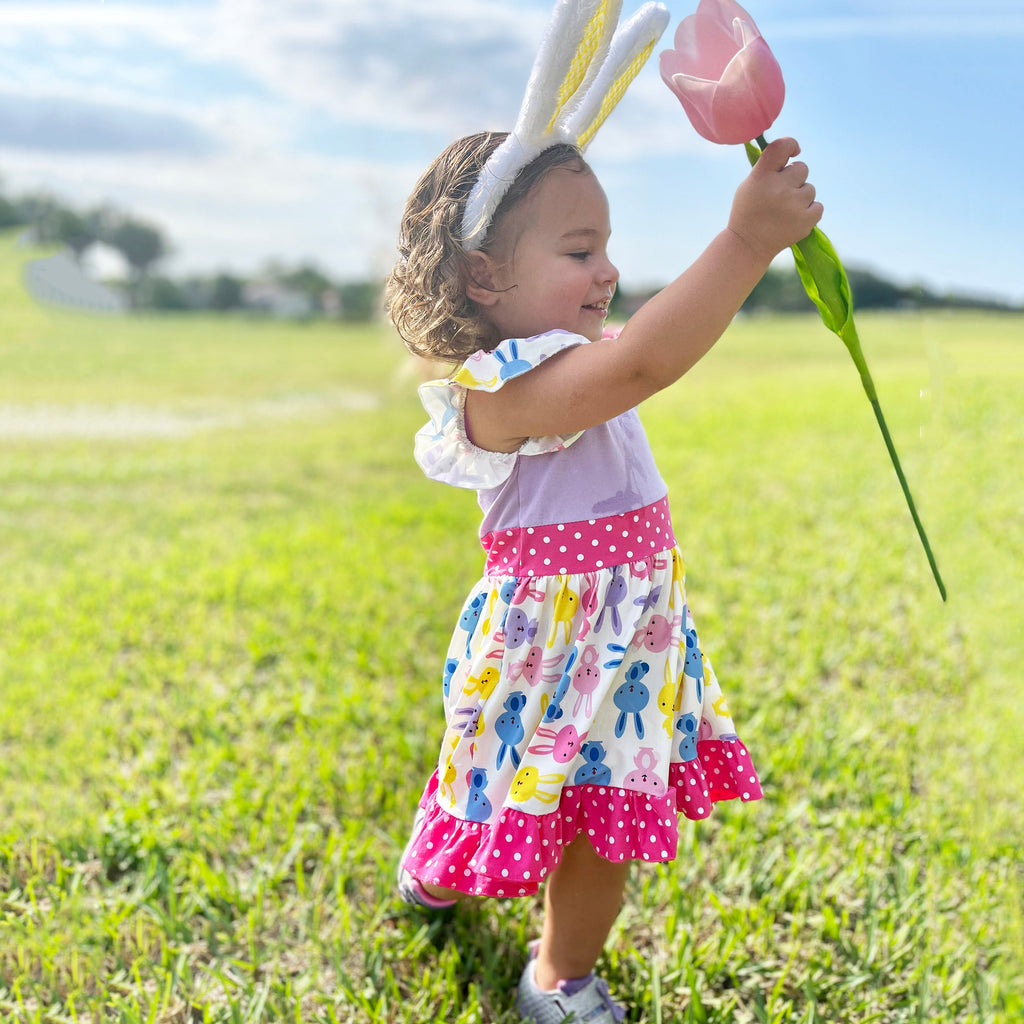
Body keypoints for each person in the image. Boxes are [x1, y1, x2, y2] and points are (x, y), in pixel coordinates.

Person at [386, 8, 822, 1023]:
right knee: (489, 787)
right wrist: (745, 239)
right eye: (580, 249)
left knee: (593, 823)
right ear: (483, 277)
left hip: (626, 643)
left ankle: (560, 976)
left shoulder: (577, 360)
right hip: (545, 653)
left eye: (607, 246)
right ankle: (438, 875)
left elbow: (640, 345)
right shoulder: (499, 390)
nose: (608, 270)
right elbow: (642, 362)